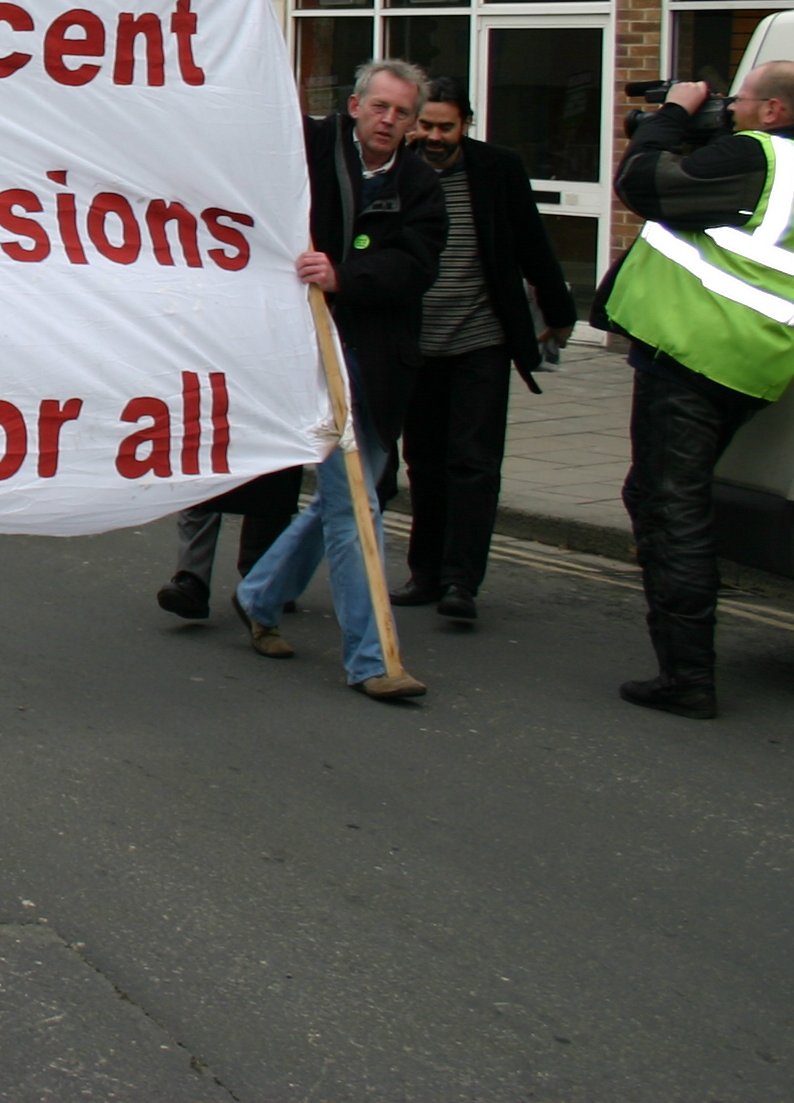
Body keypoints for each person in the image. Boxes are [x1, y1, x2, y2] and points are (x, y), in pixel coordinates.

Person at [597, 62, 794, 719]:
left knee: (670, 510)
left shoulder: (757, 156)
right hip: (751, 362)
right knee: (662, 498)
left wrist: (672, 116)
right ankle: (688, 644)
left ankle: (687, 676)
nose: (730, 110)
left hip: (694, 355)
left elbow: (642, 183)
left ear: (772, 112)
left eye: (741, 102)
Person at [228, 60, 443, 703]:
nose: (389, 121)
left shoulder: (421, 185)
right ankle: (371, 659)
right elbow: (249, 136)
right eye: (380, 107)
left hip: (376, 367)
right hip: (304, 357)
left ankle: (259, 593)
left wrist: (346, 275)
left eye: (402, 113)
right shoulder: (312, 147)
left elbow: (416, 265)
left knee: (342, 499)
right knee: (356, 502)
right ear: (353, 106)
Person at [393, 78, 579, 622]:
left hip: (481, 338)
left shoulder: (496, 168)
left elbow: (530, 242)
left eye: (445, 127)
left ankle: (461, 582)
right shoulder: (398, 172)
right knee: (423, 463)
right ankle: (424, 573)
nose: (433, 136)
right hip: (416, 340)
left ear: (466, 125)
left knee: (473, 463)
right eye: (424, 125)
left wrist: (560, 312)